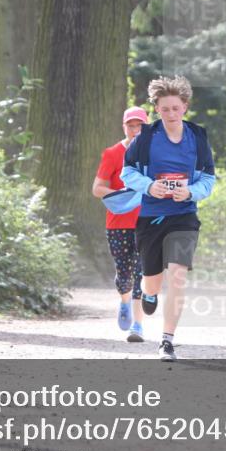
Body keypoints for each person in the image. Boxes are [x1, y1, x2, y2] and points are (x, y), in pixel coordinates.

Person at [120, 76, 216, 361]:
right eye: (165, 109)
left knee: (177, 276)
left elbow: (209, 179)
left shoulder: (197, 137)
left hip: (184, 216)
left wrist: (190, 192)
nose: (171, 114)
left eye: (176, 108)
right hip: (151, 217)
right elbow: (127, 173)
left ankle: (167, 341)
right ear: (156, 110)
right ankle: (149, 294)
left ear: (185, 107)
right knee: (152, 281)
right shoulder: (146, 138)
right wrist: (150, 186)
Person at [92, 107, 150, 342]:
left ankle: (138, 326)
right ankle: (124, 302)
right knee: (124, 273)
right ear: (124, 127)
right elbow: (97, 189)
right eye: (131, 126)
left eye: (139, 126)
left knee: (141, 272)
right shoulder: (113, 153)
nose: (135, 130)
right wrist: (122, 194)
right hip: (117, 223)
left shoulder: (154, 154)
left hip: (147, 222)